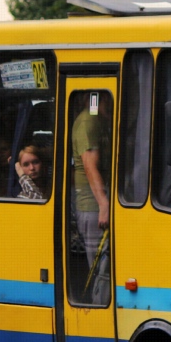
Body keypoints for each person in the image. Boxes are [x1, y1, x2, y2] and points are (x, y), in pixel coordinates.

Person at [72, 93, 111, 302]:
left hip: (97, 201)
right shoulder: (88, 121)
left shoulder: (98, 119)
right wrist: (104, 204)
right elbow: (89, 165)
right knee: (101, 268)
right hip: (92, 205)